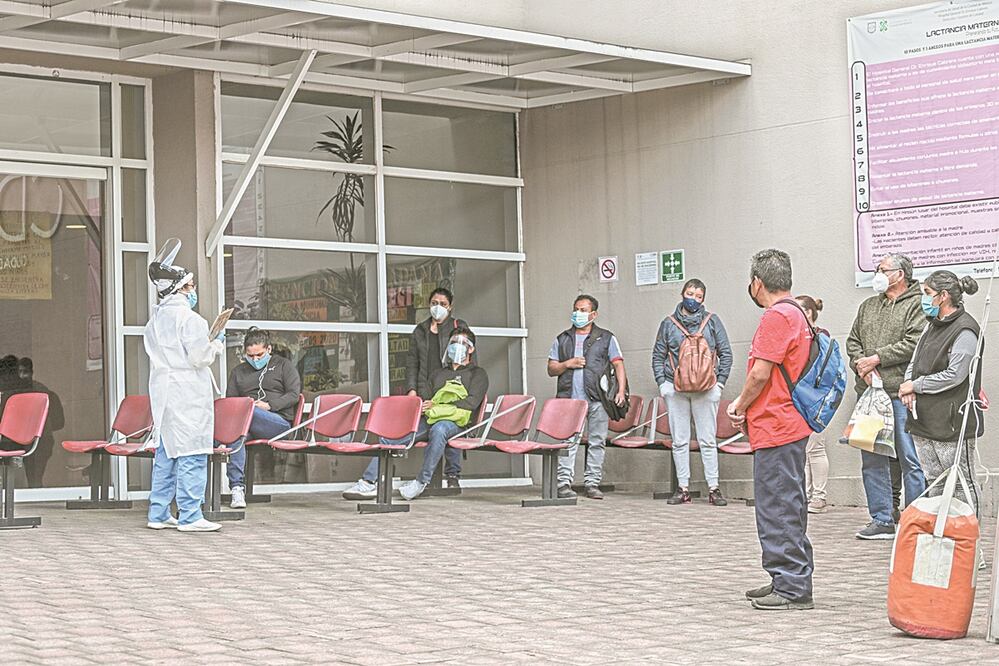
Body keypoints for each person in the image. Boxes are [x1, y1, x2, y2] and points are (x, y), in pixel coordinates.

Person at [728, 248, 815, 611]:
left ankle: (792, 585)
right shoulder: (798, 313)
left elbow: (761, 373)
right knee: (787, 503)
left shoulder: (776, 317)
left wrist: (739, 405)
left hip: (776, 424)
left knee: (777, 505)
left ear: (757, 283)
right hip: (788, 423)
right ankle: (786, 577)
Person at [343, 287, 471, 500]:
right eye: (433, 302)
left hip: (448, 392)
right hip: (424, 391)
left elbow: (466, 359)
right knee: (400, 434)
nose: (437, 307)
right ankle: (369, 481)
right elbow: (412, 363)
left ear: (450, 306)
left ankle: (450, 476)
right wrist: (412, 390)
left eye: (442, 303)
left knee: (443, 429)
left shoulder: (458, 328)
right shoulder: (420, 331)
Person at [144, 239, 225, 533]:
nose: (193, 291)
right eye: (190, 286)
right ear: (179, 288)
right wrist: (215, 344)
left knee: (167, 452)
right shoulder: (191, 319)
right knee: (192, 451)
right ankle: (191, 514)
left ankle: (159, 512)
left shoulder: (155, 321)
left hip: (164, 392)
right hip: (187, 391)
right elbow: (198, 357)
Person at [845, 253, 927, 540]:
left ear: (900, 274)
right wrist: (861, 364)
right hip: (870, 396)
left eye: (882, 269)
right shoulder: (868, 306)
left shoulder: (917, 304)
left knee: (910, 458)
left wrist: (877, 359)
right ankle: (881, 519)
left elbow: (914, 343)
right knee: (872, 456)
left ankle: (914, 521)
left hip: (902, 394)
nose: (877, 274)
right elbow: (852, 341)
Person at [900, 271, 984, 512]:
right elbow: (914, 362)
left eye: (927, 293)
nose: (923, 299)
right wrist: (908, 387)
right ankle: (942, 537)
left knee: (960, 483)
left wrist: (916, 385)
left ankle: (966, 538)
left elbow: (955, 375)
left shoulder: (965, 330)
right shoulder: (932, 326)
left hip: (951, 421)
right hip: (923, 419)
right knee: (934, 480)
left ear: (943, 296)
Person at [651, 278, 733, 506]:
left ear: (703, 299)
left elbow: (726, 353)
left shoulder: (712, 322)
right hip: (675, 388)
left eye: (698, 296)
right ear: (682, 294)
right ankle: (682, 487)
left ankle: (713, 488)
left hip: (706, 388)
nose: (693, 299)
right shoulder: (668, 324)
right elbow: (658, 355)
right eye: (690, 293)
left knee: (708, 440)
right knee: (679, 440)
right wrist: (662, 384)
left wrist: (720, 384)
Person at [389, 326, 489, 501]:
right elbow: (427, 400)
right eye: (453, 342)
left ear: (471, 349)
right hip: (432, 419)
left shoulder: (477, 374)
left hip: (459, 425)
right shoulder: (438, 374)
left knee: (440, 429)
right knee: (395, 436)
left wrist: (439, 406)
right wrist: (434, 406)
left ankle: (421, 482)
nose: (456, 346)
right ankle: (370, 480)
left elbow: (471, 403)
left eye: (462, 343)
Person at [547, 294, 627, 500]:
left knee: (597, 441)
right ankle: (564, 483)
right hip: (569, 400)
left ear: (594, 314)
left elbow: (618, 364)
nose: (578, 313)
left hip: (597, 399)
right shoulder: (562, 338)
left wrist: (620, 391)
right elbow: (551, 368)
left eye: (583, 310)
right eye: (576, 309)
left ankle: (592, 483)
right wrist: (567, 364)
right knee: (568, 442)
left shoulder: (606, 337)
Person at [225, 327, 302, 508]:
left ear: (269, 349)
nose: (255, 360)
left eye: (259, 355)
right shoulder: (238, 372)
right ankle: (237, 488)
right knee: (236, 435)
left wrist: (269, 406)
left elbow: (294, 395)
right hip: (247, 424)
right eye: (250, 356)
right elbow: (231, 403)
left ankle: (215, 443)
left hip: (278, 423)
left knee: (246, 413)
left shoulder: (284, 365)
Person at [795, 296, 830, 514]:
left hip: (815, 398)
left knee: (816, 448)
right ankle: (807, 494)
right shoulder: (797, 335)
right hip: (798, 398)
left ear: (808, 313)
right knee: (804, 450)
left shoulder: (820, 337)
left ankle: (819, 496)